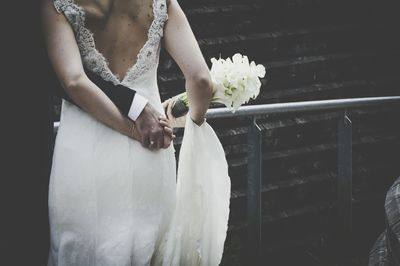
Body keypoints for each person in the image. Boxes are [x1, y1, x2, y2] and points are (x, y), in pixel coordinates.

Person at [41, 0, 213, 264]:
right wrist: (194, 119)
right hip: (153, 148)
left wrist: (133, 129)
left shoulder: (57, 4)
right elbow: (201, 79)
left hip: (82, 153)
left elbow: (74, 80)